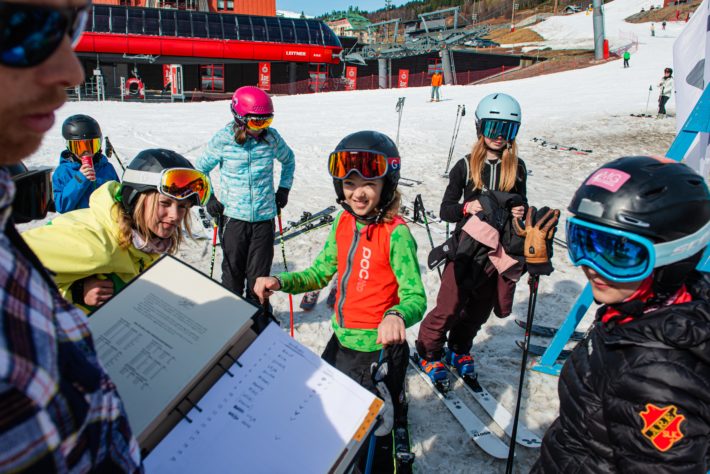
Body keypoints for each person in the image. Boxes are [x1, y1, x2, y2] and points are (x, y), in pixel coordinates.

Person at [0, 0, 141, 470]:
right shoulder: (67, 171)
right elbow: (61, 205)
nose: (72, 70)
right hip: (77, 235)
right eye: (22, 25)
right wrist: (81, 179)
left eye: (71, 27)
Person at [253, 131, 426, 472]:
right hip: (342, 343)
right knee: (329, 415)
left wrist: (396, 314)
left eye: (369, 184)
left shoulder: (396, 234)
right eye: (349, 184)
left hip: (377, 351)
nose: (358, 193)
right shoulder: (344, 222)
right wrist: (281, 281)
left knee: (373, 435)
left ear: (387, 185)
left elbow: (415, 296)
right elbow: (320, 273)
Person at [533, 156, 710, 473]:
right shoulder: (637, 312)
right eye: (583, 241)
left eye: (620, 252)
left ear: (674, 255)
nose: (591, 266)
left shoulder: (656, 381)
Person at [415, 92, 528, 382]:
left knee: (479, 309)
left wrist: (521, 212)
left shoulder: (517, 168)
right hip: (466, 250)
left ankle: (459, 348)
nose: (499, 136)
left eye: (507, 130)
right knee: (450, 305)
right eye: (493, 127)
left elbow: (521, 204)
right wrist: (467, 207)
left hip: (497, 253)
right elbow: (446, 210)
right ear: (480, 128)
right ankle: (428, 350)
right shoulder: (465, 166)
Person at [23, 149, 210, 313]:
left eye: (182, 207)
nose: (175, 215)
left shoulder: (144, 243)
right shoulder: (94, 244)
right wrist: (75, 292)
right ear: (134, 198)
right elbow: (12, 266)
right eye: (165, 203)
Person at [198, 86, 295, 302]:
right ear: (240, 118)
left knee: (258, 279)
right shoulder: (224, 139)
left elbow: (289, 160)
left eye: (266, 121)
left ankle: (259, 316)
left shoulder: (271, 138)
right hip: (234, 218)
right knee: (232, 277)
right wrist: (209, 198)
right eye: (256, 123)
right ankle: (232, 315)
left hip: (264, 218)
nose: (262, 128)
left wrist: (284, 189)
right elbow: (201, 169)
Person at [53, 113, 119, 213]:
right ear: (69, 147)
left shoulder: (107, 168)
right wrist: (80, 179)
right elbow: (62, 207)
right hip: (78, 221)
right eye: (79, 147)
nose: (86, 152)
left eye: (91, 146)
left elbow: (118, 197)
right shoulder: (63, 172)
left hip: (104, 220)